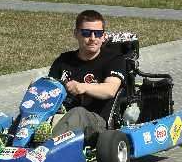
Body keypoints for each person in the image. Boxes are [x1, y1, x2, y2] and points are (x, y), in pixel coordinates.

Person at [44, 10, 126, 143]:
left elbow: (110, 90)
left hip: (96, 122)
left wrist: (83, 87)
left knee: (78, 113)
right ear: (76, 34)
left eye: (98, 33)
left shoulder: (114, 59)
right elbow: (50, 90)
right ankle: (14, 143)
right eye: (87, 33)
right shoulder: (64, 60)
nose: (93, 38)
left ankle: (45, 147)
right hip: (62, 117)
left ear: (103, 36)